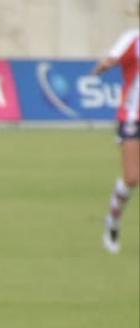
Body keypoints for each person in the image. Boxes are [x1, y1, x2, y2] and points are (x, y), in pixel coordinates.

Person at [93, 18, 139, 254]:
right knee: (132, 178)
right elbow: (113, 57)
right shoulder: (132, 37)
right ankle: (113, 220)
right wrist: (104, 66)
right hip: (133, 115)